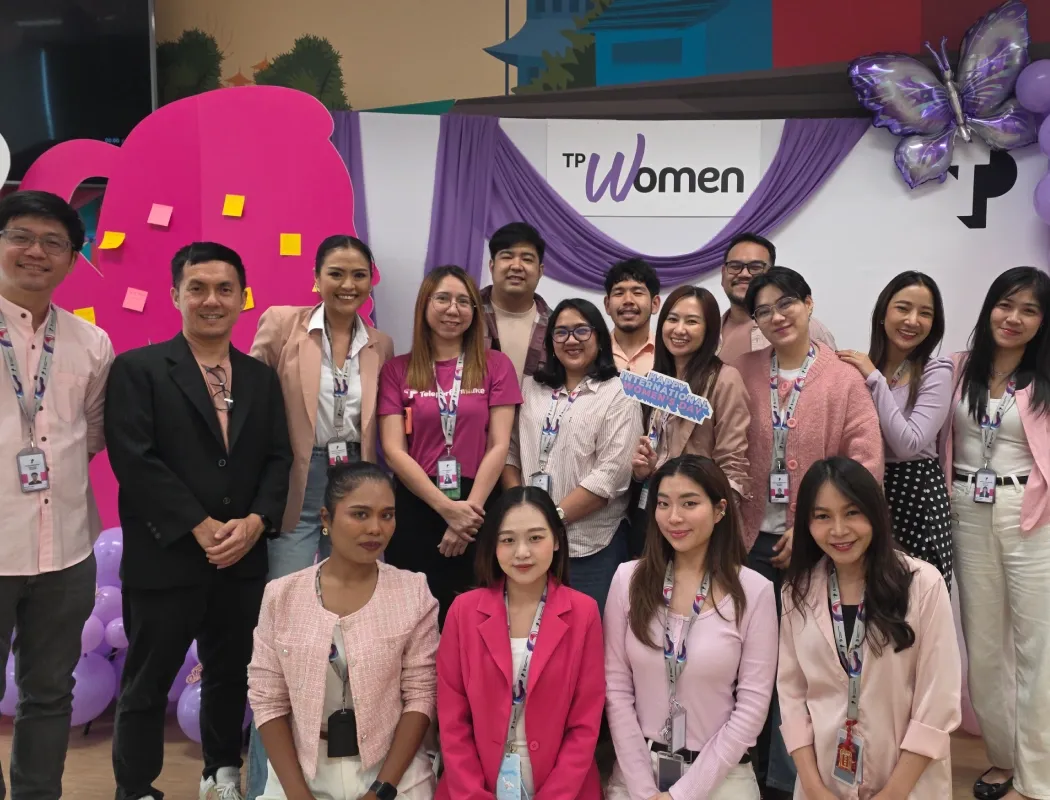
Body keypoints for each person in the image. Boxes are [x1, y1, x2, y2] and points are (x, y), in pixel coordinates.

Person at [106, 242, 292, 800]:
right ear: (176, 295)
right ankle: (135, 786)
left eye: (224, 289)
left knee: (230, 672)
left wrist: (257, 521)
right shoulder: (139, 369)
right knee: (147, 682)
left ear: (242, 298)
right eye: (198, 288)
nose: (212, 300)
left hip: (242, 557)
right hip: (167, 557)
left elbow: (278, 457)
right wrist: (199, 524)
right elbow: (135, 459)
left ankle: (221, 772)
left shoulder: (259, 377)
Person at [246, 234, 394, 800]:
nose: (348, 285)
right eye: (337, 273)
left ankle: (347, 769)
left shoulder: (379, 343)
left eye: (359, 275)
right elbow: (253, 402)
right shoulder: (283, 325)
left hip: (354, 479)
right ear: (316, 278)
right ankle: (270, 781)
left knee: (355, 619)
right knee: (287, 625)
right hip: (298, 480)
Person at [734, 267, 883, 798]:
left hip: (819, 543)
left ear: (809, 303)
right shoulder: (742, 371)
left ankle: (789, 780)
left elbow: (865, 463)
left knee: (805, 663)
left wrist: (812, 528)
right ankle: (742, 772)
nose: (777, 317)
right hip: (746, 539)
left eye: (787, 303)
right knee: (749, 659)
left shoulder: (842, 379)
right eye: (764, 310)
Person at [0, 190, 114, 799]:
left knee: (50, 693)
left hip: (67, 549)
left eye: (53, 243)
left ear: (72, 258)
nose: (36, 252)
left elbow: (90, 435)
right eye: (21, 237)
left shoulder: (90, 343)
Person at [248, 461, 439, 800]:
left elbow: (421, 695)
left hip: (393, 774)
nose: (376, 528)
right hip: (301, 772)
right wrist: (297, 794)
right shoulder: (282, 595)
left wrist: (381, 791)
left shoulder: (413, 592)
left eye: (387, 515)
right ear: (326, 519)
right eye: (360, 514)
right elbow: (268, 699)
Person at [778, 457, 961, 799]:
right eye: (822, 516)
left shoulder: (922, 585)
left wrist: (893, 793)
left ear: (875, 512)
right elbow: (791, 696)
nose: (838, 530)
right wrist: (814, 787)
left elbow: (938, 702)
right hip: (823, 782)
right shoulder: (796, 591)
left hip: (907, 785)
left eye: (852, 513)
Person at [939, 267, 1050, 800]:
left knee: (1037, 648)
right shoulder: (960, 368)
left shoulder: (1046, 378)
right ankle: (1004, 759)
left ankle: (1038, 777)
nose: (1014, 318)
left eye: (1030, 310)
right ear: (989, 309)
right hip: (966, 507)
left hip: (1031, 511)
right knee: (983, 647)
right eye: (1006, 305)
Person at [605, 455, 776, 800]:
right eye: (663, 504)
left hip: (721, 776)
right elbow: (616, 689)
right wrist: (644, 790)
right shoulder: (628, 579)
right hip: (638, 774)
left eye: (689, 503)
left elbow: (752, 708)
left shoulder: (755, 591)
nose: (674, 517)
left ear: (720, 510)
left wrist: (682, 794)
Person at [435, 486, 604, 799]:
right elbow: (452, 719)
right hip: (474, 784)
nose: (522, 552)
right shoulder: (463, 611)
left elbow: (585, 724)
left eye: (535, 538)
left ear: (557, 540)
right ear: (493, 545)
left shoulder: (584, 612)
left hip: (563, 787)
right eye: (508, 540)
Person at [378, 265, 521, 624]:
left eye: (463, 301)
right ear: (425, 305)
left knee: (474, 617)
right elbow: (394, 450)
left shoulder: (496, 365)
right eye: (442, 298)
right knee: (412, 618)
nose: (453, 309)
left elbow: (499, 444)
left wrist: (466, 517)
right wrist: (446, 509)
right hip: (417, 502)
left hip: (478, 504)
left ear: (475, 310)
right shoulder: (397, 370)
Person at [503, 298, 641, 613]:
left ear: (599, 337)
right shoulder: (529, 388)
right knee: (532, 629)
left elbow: (611, 475)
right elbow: (510, 451)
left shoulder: (620, 392)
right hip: (527, 543)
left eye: (581, 330)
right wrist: (521, 513)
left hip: (590, 546)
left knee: (587, 633)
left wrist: (548, 520)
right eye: (561, 332)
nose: (571, 340)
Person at [837, 272, 953, 589]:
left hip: (917, 493)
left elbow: (908, 443)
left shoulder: (936, 371)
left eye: (925, 313)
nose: (912, 320)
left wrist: (874, 379)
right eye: (903, 308)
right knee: (870, 591)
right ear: (883, 313)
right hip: (868, 487)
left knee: (920, 594)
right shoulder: (858, 368)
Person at [630, 286, 751, 555]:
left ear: (709, 330)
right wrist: (642, 470)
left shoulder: (725, 380)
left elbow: (732, 463)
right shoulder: (654, 380)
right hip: (652, 511)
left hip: (697, 520)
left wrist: (719, 523)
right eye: (672, 319)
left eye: (692, 321)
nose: (679, 329)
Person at [717, 234, 836, 365]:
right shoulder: (708, 332)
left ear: (771, 273)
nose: (744, 274)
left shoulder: (807, 327)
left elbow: (836, 373)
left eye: (755, 267)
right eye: (735, 266)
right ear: (723, 274)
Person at [480, 222, 551, 385]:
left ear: (540, 271)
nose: (517, 266)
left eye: (527, 259)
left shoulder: (556, 326)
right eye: (507, 257)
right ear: (492, 266)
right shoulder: (466, 315)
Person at [604, 258, 661, 375]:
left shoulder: (670, 355)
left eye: (637, 293)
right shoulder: (592, 354)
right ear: (607, 305)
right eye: (619, 293)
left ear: (654, 304)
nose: (628, 300)